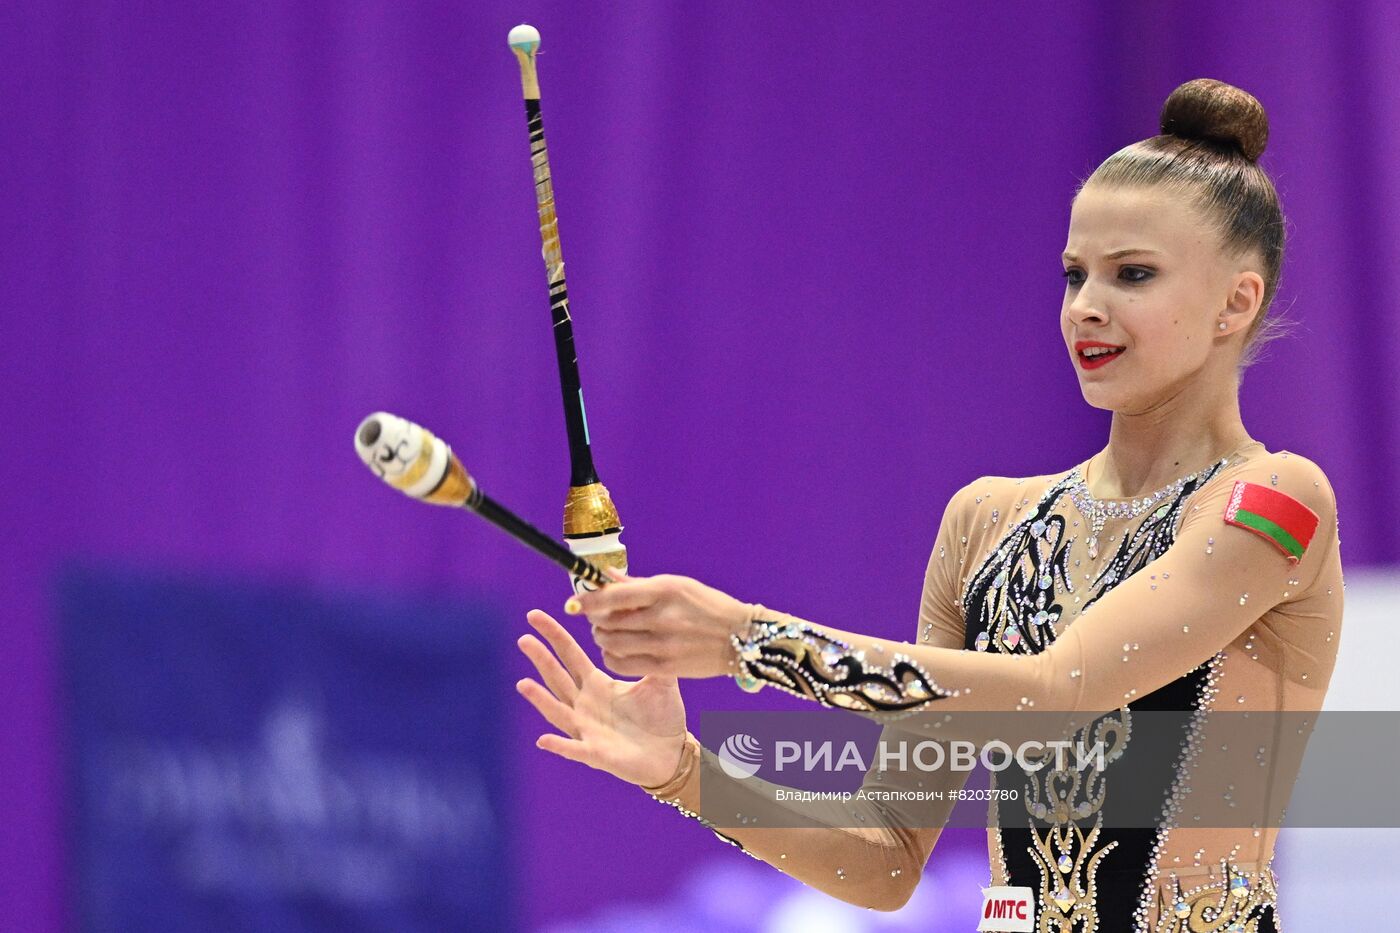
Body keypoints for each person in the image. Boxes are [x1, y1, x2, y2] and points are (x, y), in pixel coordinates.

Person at [514, 78, 1342, 932]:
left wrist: (744, 641)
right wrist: (683, 770)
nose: (1086, 306)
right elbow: (883, 858)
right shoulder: (986, 521)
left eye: (1133, 274)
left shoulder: (1275, 502)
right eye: (1073, 274)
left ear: (1235, 302)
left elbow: (1059, 690)